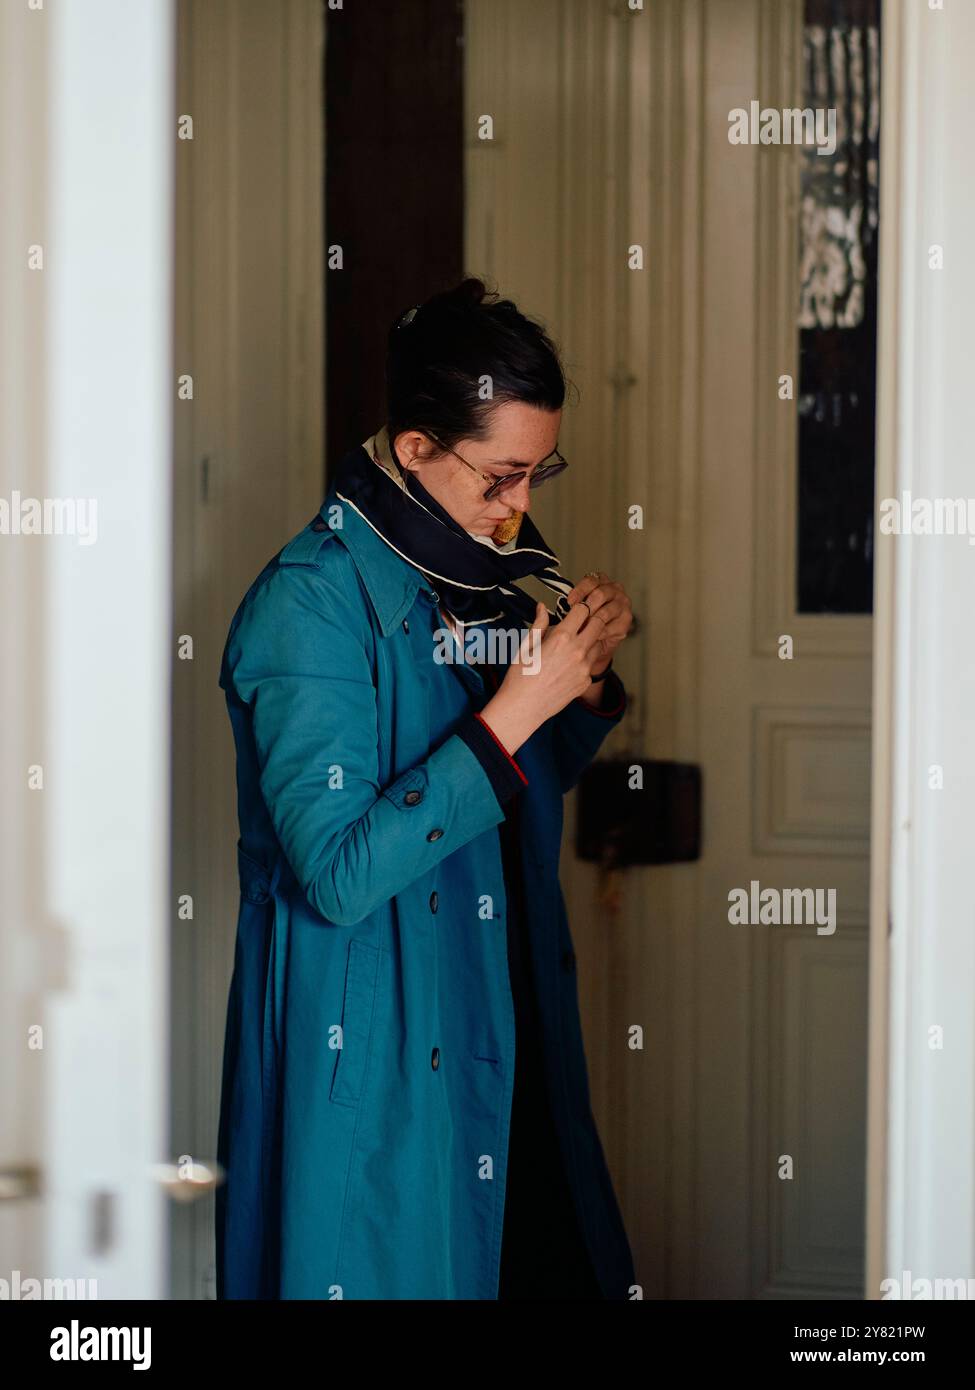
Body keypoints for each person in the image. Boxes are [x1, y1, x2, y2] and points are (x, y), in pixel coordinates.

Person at [215, 277, 636, 1300]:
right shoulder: (306, 604)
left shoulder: (477, 573)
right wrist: (514, 711)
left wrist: (574, 681)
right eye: (501, 475)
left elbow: (514, 797)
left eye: (538, 472)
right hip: (377, 1035)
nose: (521, 505)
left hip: (500, 1002)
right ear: (414, 447)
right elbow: (339, 874)